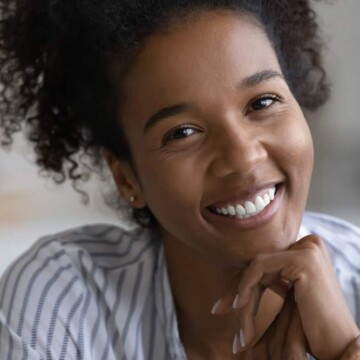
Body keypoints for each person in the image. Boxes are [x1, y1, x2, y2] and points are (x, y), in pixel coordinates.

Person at [0, 0, 359, 359]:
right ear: (127, 179)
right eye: (182, 132)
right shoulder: (65, 299)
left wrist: (345, 349)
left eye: (262, 102)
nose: (242, 157)